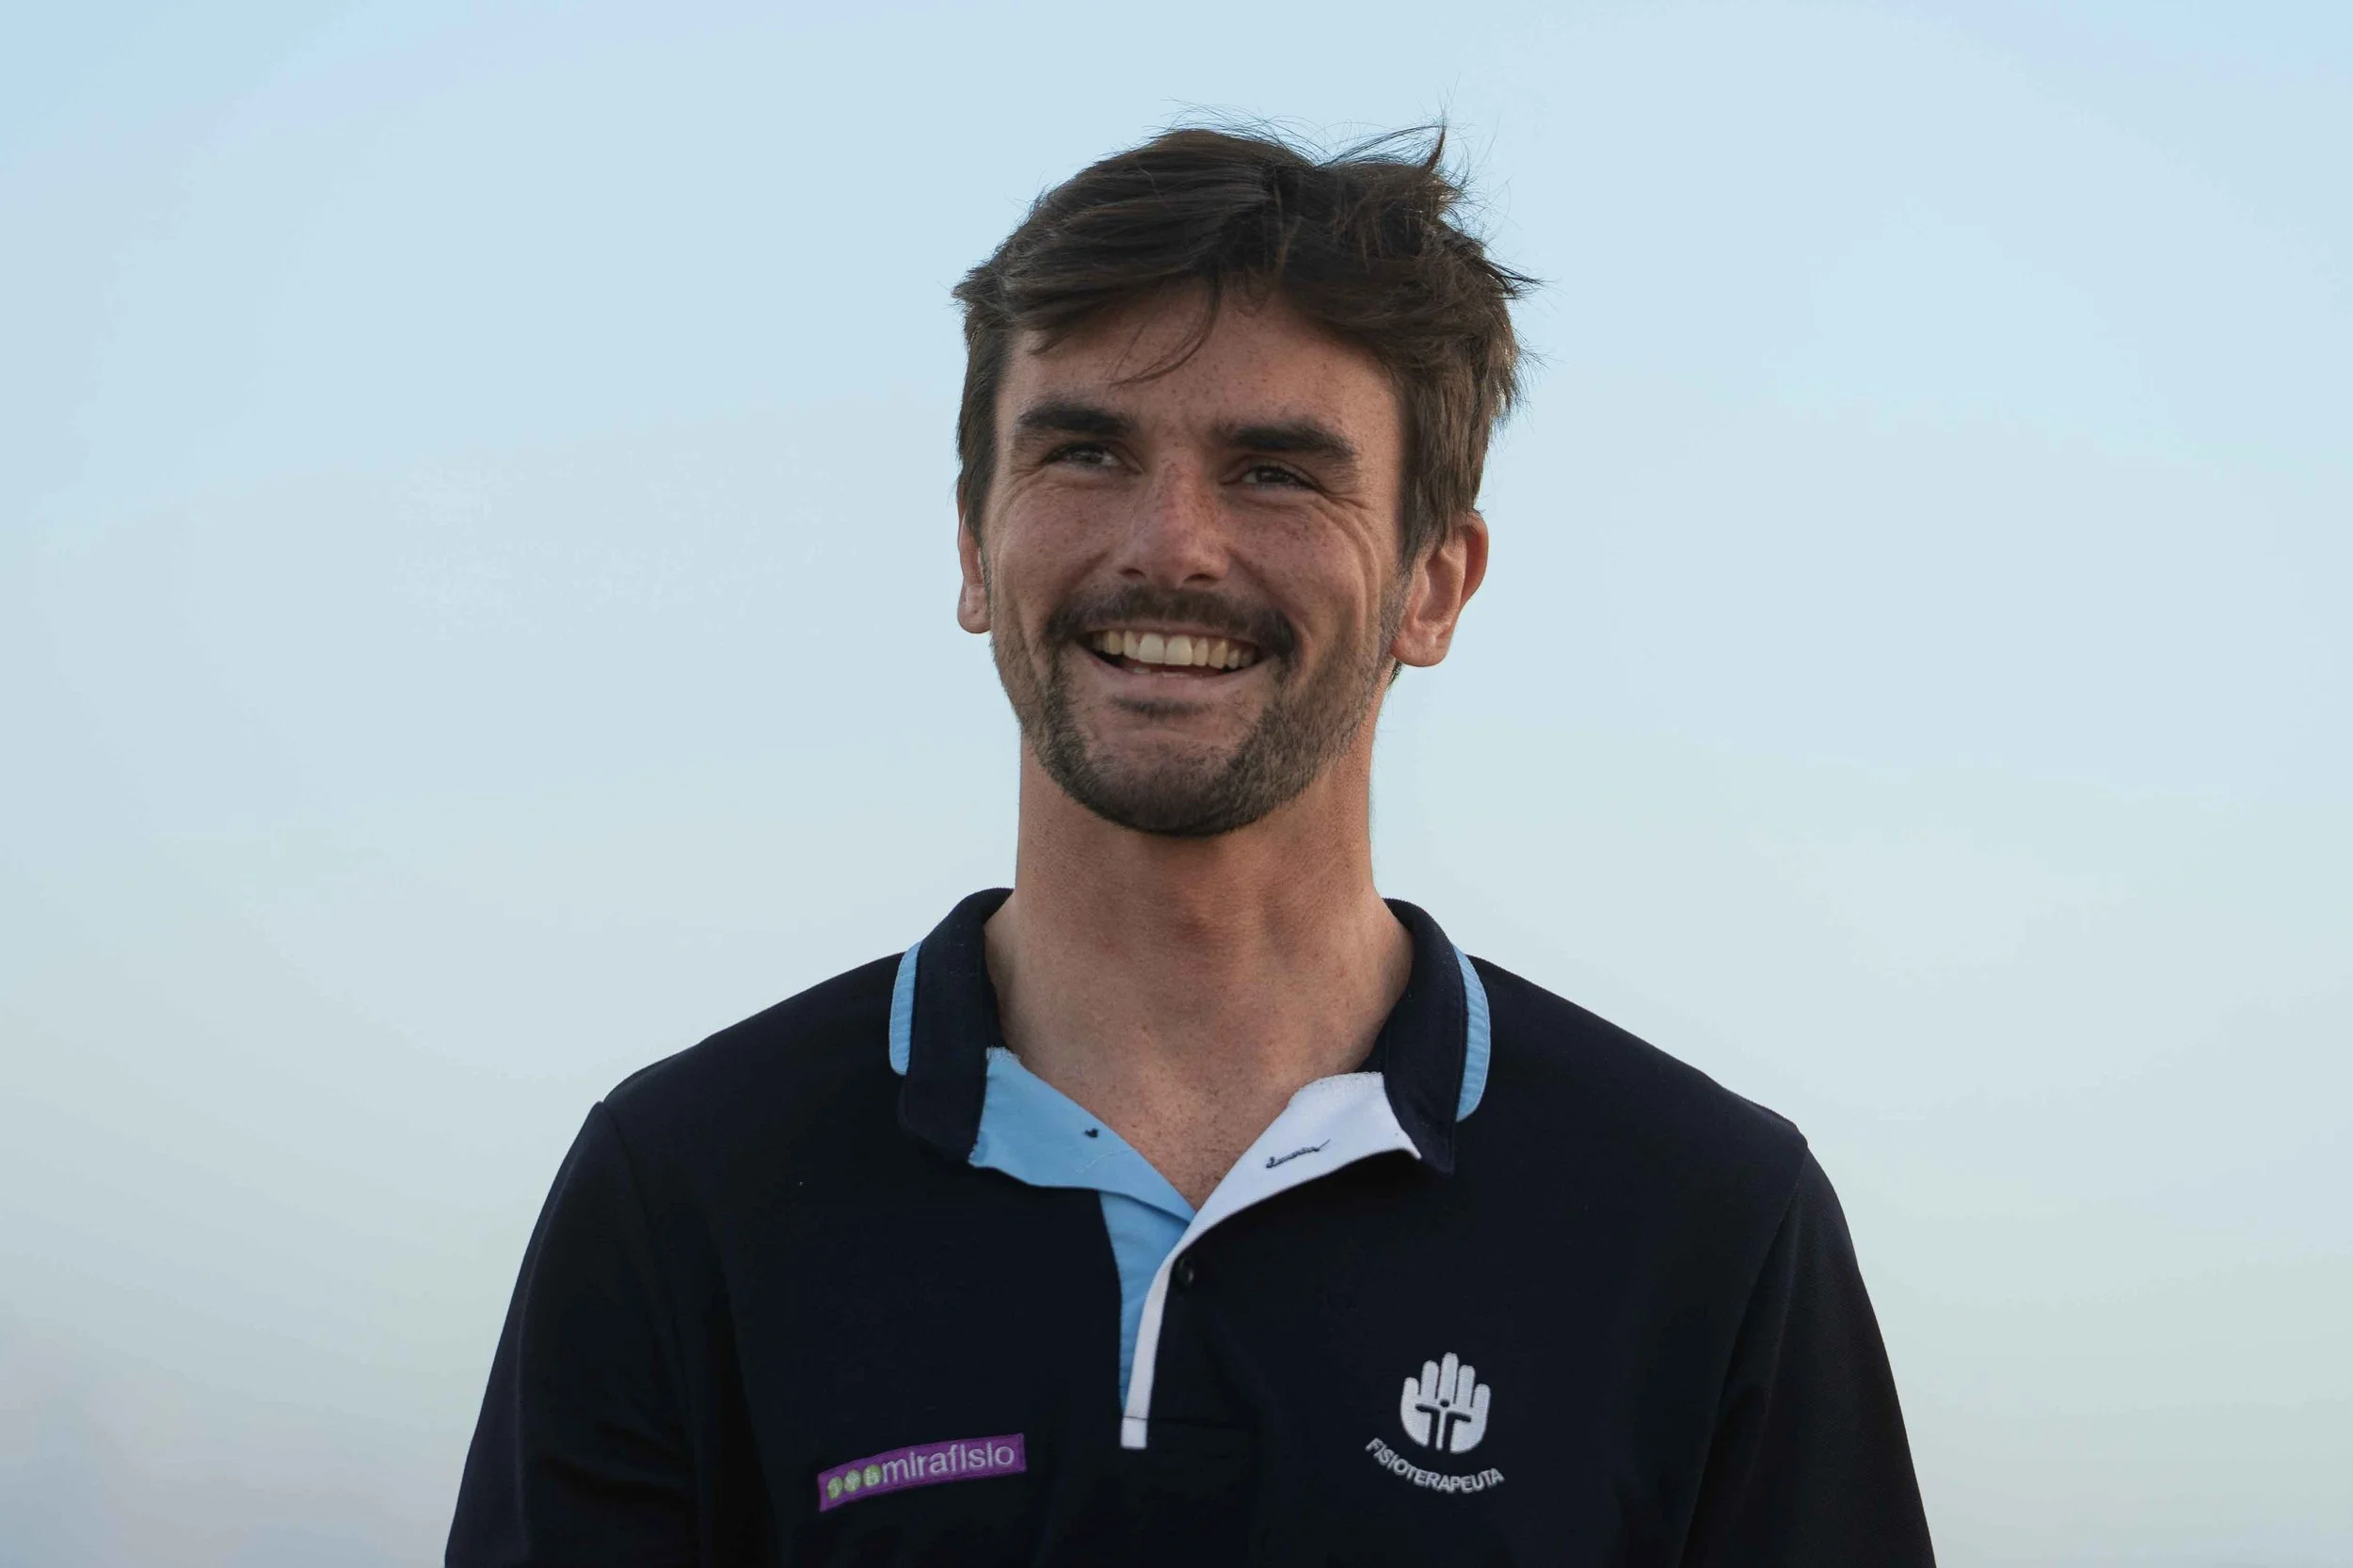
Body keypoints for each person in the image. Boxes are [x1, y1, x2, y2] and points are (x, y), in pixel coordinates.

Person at [447, 125, 1936, 1566]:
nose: (1170, 544)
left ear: (1436, 583)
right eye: (1086, 451)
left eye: (1277, 470)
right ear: (973, 544)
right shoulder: (685, 1189)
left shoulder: (1710, 1227)